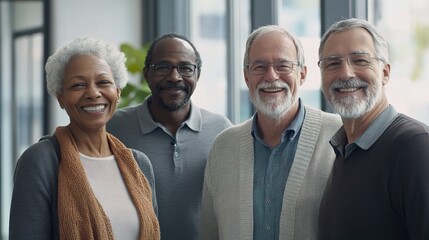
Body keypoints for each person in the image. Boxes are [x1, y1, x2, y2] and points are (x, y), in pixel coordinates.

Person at [9, 37, 160, 240]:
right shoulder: (40, 161)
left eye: (103, 82)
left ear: (117, 91)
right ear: (60, 97)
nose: (93, 93)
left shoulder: (139, 164)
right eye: (78, 85)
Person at [200, 25, 342, 240]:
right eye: (259, 66)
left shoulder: (339, 136)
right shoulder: (223, 147)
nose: (271, 76)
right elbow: (209, 233)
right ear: (247, 77)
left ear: (302, 74)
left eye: (283, 65)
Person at [107, 33, 232, 240]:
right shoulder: (114, 128)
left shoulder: (222, 130)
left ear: (197, 75)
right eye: (163, 67)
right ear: (147, 74)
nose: (175, 77)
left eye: (185, 68)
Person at [317, 18, 429, 240]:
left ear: (385, 72)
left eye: (359, 60)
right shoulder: (343, 149)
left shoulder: (415, 146)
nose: (345, 73)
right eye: (332, 63)